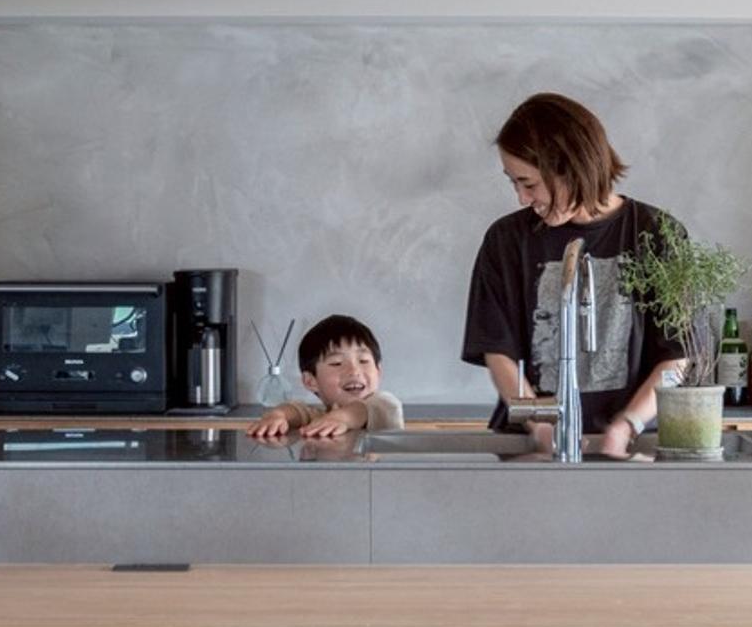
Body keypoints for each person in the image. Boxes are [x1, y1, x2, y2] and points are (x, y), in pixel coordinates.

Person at [460, 93, 687, 458]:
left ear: (570, 167)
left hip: (634, 445)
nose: (522, 198)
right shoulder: (506, 240)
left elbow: (677, 356)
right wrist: (539, 425)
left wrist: (628, 425)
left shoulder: (657, 234)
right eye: (513, 183)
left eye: (529, 184)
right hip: (532, 446)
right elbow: (498, 351)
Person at [247, 314, 405, 439]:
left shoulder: (385, 404)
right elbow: (299, 410)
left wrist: (342, 418)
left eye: (363, 361)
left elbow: (365, 409)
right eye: (337, 363)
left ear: (378, 371)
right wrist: (277, 415)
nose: (354, 371)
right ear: (310, 381)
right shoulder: (323, 417)